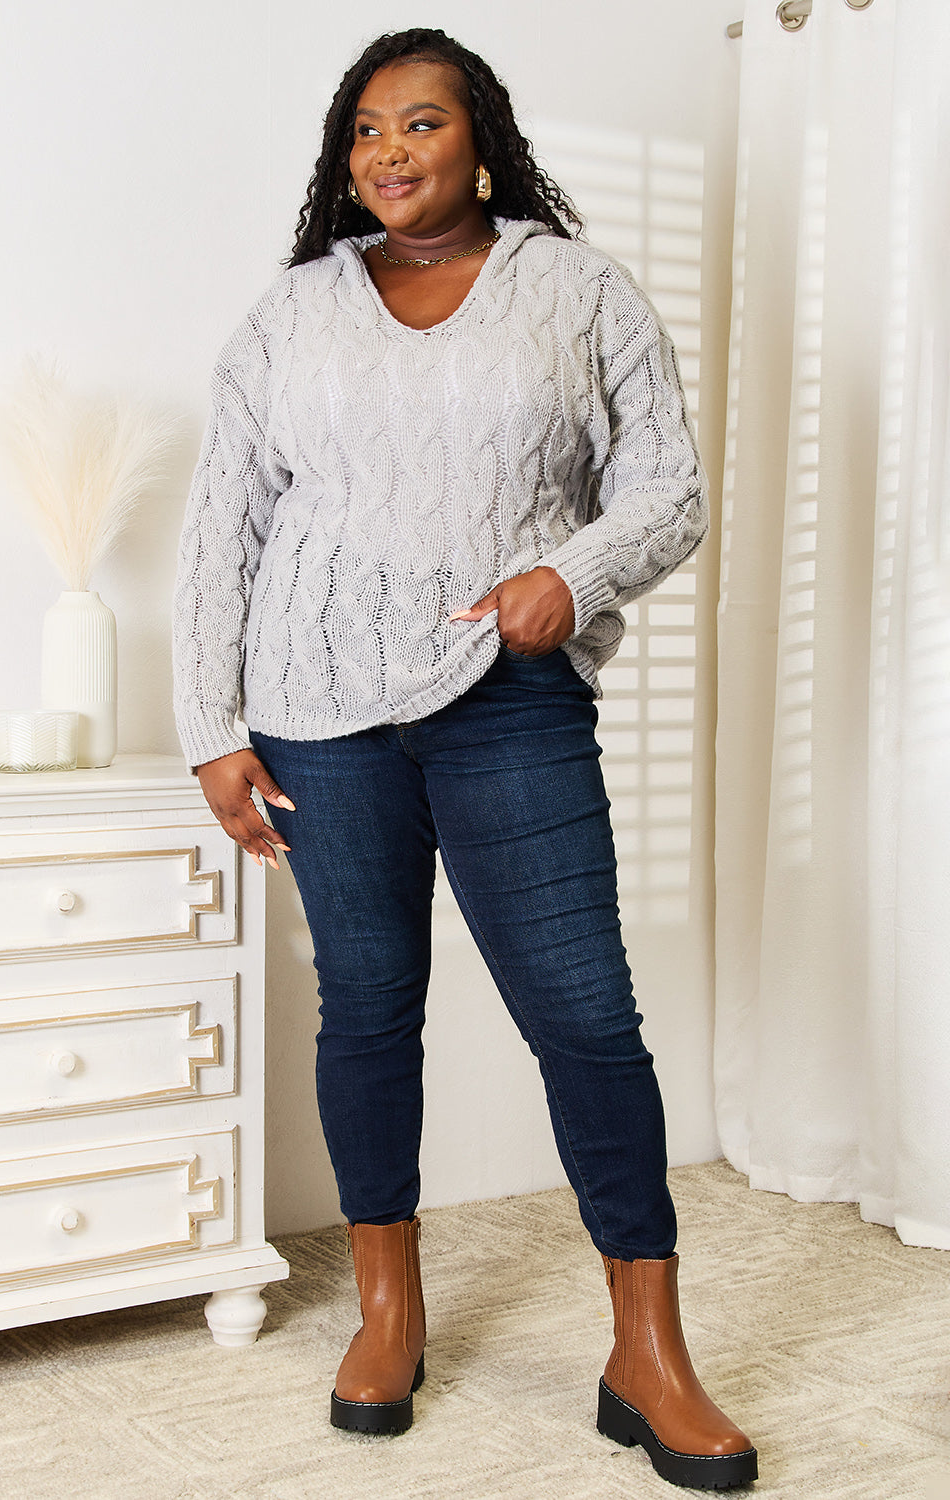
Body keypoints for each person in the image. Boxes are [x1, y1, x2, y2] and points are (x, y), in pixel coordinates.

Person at [173, 27, 757, 1492]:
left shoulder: (574, 286)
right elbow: (220, 530)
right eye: (366, 130)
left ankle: (649, 1350)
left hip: (508, 697)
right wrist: (213, 728)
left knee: (584, 1014)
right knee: (367, 1009)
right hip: (315, 704)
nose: (388, 152)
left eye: (418, 124)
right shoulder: (291, 315)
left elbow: (668, 487)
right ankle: (388, 1309)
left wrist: (578, 572)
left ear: (477, 139)